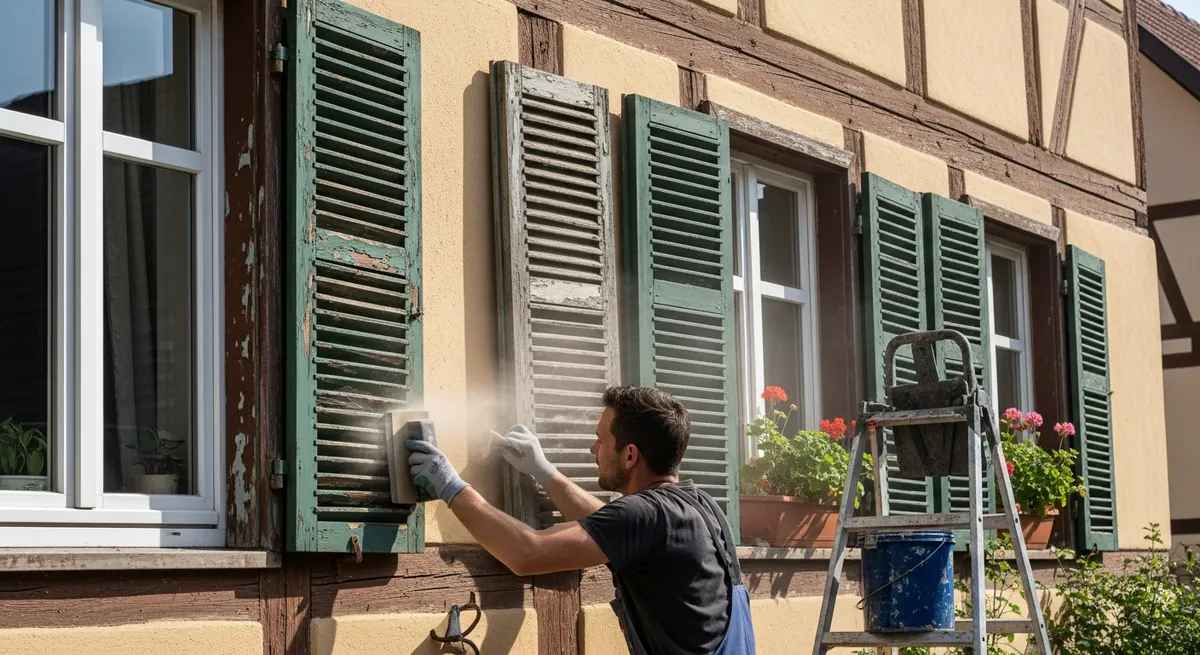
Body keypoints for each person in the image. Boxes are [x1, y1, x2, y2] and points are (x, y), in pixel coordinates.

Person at [407, 385, 756, 655]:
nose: (593, 450)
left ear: (630, 454)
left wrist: (451, 486)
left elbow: (527, 553)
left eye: (601, 440)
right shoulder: (699, 506)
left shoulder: (645, 514)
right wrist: (545, 473)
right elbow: (609, 527)